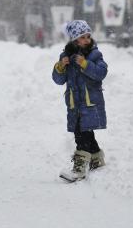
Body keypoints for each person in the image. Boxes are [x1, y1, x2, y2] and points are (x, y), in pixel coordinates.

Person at [52, 20, 108, 181]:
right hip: (74, 103)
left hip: (90, 103)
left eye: (88, 36)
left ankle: (79, 168)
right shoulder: (66, 57)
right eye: (83, 37)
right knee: (86, 132)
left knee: (81, 134)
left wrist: (85, 64)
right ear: (74, 40)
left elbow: (101, 72)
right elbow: (58, 79)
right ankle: (96, 159)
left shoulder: (94, 54)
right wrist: (60, 67)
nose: (87, 40)